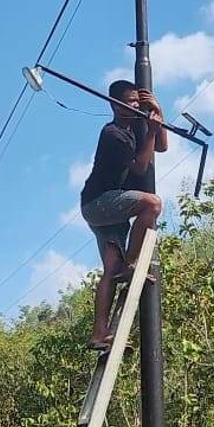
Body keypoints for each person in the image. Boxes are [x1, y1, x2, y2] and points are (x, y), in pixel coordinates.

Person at [80, 80, 167, 351]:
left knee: (110, 269)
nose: (135, 106)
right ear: (115, 104)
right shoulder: (113, 134)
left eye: (137, 102)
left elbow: (161, 147)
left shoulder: (134, 128)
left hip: (108, 209)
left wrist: (157, 113)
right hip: (98, 203)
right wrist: (151, 131)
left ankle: (99, 334)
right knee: (151, 204)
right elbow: (141, 168)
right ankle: (131, 263)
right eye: (130, 102)